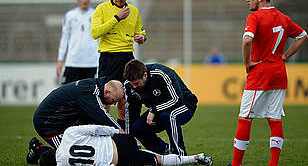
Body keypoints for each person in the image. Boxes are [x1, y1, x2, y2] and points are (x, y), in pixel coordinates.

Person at [228, 0, 308, 166]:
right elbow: (303, 36)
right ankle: (273, 164)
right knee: (274, 119)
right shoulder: (283, 18)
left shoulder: (255, 16)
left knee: (245, 118)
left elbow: (247, 39)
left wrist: (247, 63)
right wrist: (286, 56)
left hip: (260, 74)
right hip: (279, 74)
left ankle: (235, 164)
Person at [26, 78, 124, 165]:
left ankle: (38, 149)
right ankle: (39, 149)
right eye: (114, 100)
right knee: (71, 153)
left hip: (63, 120)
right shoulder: (88, 92)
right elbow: (101, 116)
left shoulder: (97, 85)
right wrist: (121, 132)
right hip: (48, 124)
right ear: (107, 92)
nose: (114, 104)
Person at [123, 59, 198, 156]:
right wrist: (128, 140)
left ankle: (179, 155)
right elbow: (131, 112)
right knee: (137, 128)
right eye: (131, 83)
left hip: (184, 104)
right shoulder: (129, 86)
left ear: (145, 75)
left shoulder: (160, 73)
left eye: (136, 83)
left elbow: (176, 99)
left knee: (169, 116)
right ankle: (163, 152)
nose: (134, 87)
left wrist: (154, 110)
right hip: (159, 109)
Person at [39, 125, 213, 166]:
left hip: (119, 160)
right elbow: (94, 128)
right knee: (148, 151)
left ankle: (195, 158)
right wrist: (116, 131)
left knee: (157, 161)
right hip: (118, 142)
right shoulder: (69, 133)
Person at [91, 0, 146, 81]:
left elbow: (142, 34)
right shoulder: (101, 8)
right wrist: (117, 18)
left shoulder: (134, 11)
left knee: (131, 91)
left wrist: (141, 38)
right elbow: (95, 33)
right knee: (108, 93)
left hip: (128, 57)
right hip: (109, 57)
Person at [56, 0, 99, 84]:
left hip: (91, 62)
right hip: (73, 61)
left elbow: (100, 38)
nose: (85, 0)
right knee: (67, 94)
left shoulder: (96, 15)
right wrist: (60, 60)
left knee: (89, 93)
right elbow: (64, 38)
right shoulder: (70, 15)